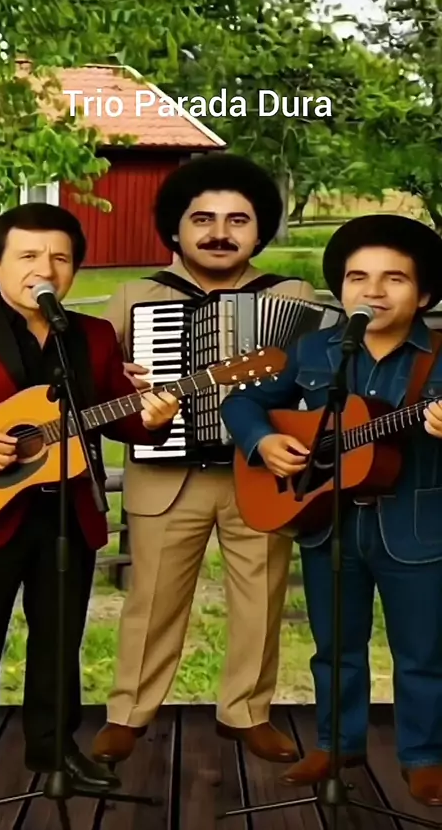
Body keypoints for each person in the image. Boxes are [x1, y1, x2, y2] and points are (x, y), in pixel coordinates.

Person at [91, 152, 316, 767]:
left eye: (238, 220)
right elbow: (93, 378)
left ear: (259, 231)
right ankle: (127, 713)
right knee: (152, 601)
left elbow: (319, 382)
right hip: (167, 476)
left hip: (262, 474)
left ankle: (247, 712)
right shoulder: (138, 294)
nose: (220, 233)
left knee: (261, 599)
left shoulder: (291, 295)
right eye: (203, 219)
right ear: (175, 228)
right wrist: (124, 380)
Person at [0, 203, 178, 814]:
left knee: (59, 641)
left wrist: (155, 417)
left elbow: (120, 417)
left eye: (60, 257)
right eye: (28, 256)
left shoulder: (92, 336)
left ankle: (54, 751)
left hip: (66, 515)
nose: (46, 269)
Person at [220, 213, 442, 807]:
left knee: (423, 652)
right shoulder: (315, 350)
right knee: (334, 646)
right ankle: (335, 744)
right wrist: (264, 442)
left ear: (423, 294)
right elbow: (243, 403)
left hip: (416, 527)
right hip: (330, 525)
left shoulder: (438, 357)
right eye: (357, 277)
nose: (373, 291)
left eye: (394, 278)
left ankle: (425, 756)